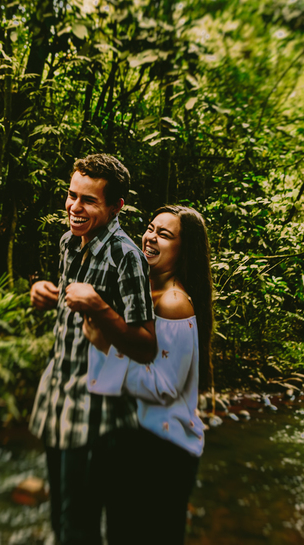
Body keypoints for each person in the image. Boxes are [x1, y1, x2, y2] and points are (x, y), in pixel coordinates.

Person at [29, 154, 157, 545]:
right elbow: (74, 300)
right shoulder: (69, 242)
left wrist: (100, 308)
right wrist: (48, 295)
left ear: (116, 206)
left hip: (96, 406)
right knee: (59, 513)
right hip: (59, 392)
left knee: (78, 521)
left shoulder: (127, 257)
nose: (74, 207)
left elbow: (146, 345)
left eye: (88, 201)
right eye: (71, 196)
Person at [84, 205, 214, 544]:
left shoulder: (173, 303)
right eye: (151, 228)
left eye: (165, 235)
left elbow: (164, 386)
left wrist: (105, 345)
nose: (151, 238)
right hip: (130, 439)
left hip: (164, 452)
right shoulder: (142, 290)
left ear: (184, 250)